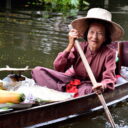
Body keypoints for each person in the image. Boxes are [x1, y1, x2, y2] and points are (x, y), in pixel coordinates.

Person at [31, 8, 124, 97]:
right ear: (87, 33)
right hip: (70, 80)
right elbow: (59, 68)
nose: (94, 37)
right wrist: (70, 45)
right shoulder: (79, 47)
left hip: (90, 86)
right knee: (38, 71)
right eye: (91, 32)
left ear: (105, 37)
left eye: (100, 33)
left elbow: (109, 79)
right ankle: (66, 92)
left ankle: (66, 94)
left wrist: (102, 86)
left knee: (86, 91)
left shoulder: (110, 53)